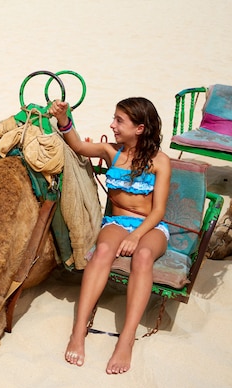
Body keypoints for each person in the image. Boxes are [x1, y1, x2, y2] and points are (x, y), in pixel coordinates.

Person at [49, 97, 171, 374]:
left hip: (150, 225)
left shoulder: (160, 162)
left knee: (142, 257)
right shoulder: (110, 151)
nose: (112, 125)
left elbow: (159, 210)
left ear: (139, 128)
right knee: (102, 252)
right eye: (114, 119)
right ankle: (78, 333)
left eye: (119, 121)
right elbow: (78, 146)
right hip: (116, 221)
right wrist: (64, 119)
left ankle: (126, 341)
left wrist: (136, 236)